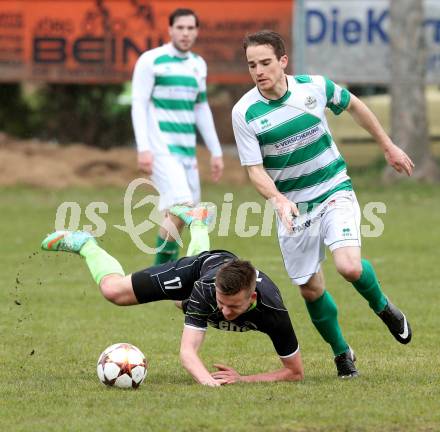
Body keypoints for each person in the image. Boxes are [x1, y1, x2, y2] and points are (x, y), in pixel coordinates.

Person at [231, 30, 413, 378]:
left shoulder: (313, 87)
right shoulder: (245, 112)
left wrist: (388, 145)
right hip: (294, 206)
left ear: (283, 61)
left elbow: (355, 105)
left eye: (266, 62)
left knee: (349, 267)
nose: (259, 71)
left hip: (333, 189)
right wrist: (278, 199)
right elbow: (254, 171)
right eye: (252, 65)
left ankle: (383, 306)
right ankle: (342, 353)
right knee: (311, 289)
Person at [40, 205, 304, 386]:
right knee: (113, 292)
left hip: (214, 269)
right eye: (221, 303)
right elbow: (188, 353)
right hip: (197, 271)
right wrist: (209, 383)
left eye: (233, 307)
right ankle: (86, 244)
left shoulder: (274, 312)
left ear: (252, 297)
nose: (224, 312)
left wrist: (242, 379)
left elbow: (295, 372)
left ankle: (198, 221)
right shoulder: (206, 290)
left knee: (183, 304)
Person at [131, 8, 224, 265]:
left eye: (190, 28)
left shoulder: (198, 64)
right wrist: (143, 148)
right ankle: (159, 273)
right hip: (161, 148)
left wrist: (215, 151)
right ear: (170, 30)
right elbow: (138, 103)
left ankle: (163, 274)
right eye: (180, 28)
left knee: (182, 215)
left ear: (197, 31)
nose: (185, 33)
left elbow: (201, 107)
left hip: (187, 152)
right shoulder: (151, 60)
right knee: (183, 208)